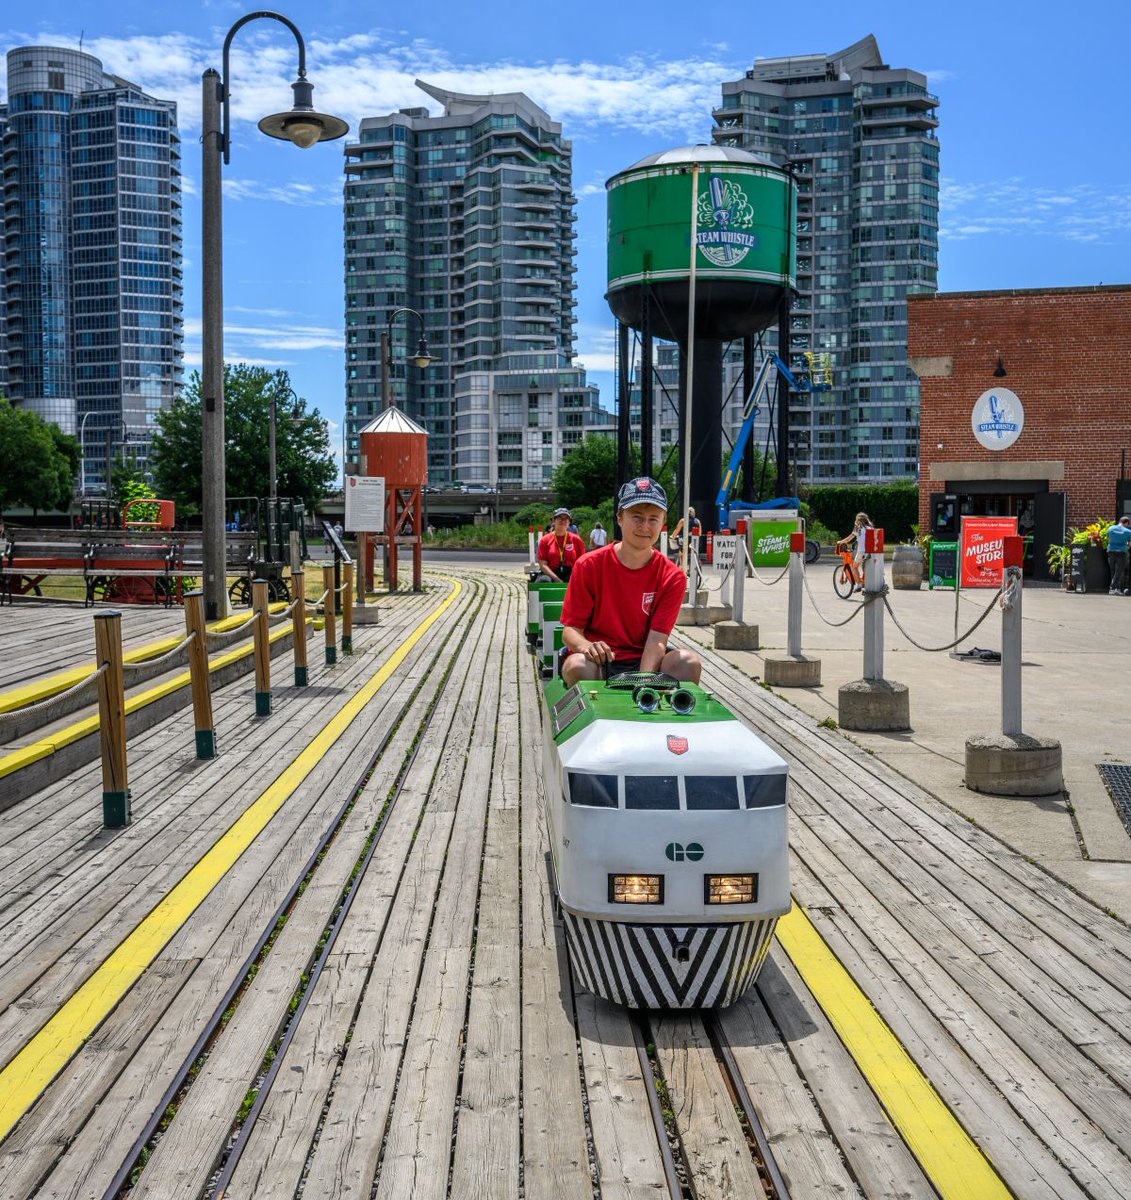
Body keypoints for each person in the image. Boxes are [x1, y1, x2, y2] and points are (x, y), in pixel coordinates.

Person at [560, 477, 702, 687]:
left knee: (688, 663)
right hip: (600, 660)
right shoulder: (588, 565)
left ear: (663, 522)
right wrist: (586, 646)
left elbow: (657, 639)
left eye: (653, 519)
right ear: (620, 518)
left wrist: (642, 683)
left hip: (646, 658)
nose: (645, 526)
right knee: (577, 666)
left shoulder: (673, 576)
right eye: (637, 517)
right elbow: (571, 630)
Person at [538, 507, 586, 583]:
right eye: (559, 518)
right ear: (554, 521)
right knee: (543, 580)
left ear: (569, 522)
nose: (562, 521)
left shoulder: (577, 540)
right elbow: (543, 565)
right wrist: (556, 579)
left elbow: (582, 563)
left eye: (566, 518)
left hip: (570, 573)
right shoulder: (545, 540)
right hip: (550, 573)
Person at [836, 512, 873, 592]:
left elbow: (849, 538)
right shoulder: (870, 528)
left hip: (862, 551)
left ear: (858, 520)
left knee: (854, 567)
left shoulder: (858, 528)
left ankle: (859, 584)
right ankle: (866, 582)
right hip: (871, 552)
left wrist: (840, 542)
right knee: (865, 566)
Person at [1107, 516, 1131, 595]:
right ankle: (1113, 588)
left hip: (1111, 551)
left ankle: (1115, 589)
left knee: (1113, 571)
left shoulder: (1110, 528)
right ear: (1126, 523)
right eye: (1127, 524)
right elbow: (1129, 544)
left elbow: (1109, 540)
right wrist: (1126, 545)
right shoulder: (1128, 531)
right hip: (1122, 552)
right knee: (1119, 571)